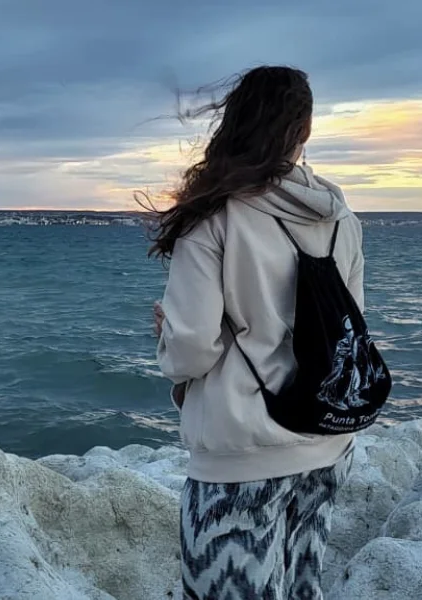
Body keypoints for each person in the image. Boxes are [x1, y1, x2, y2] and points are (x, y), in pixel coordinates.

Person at [148, 66, 365, 600]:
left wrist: (168, 337)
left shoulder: (214, 215)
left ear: (234, 124)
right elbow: (348, 329)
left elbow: (192, 348)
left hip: (241, 451)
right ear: (304, 131)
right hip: (326, 439)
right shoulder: (340, 217)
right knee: (300, 588)